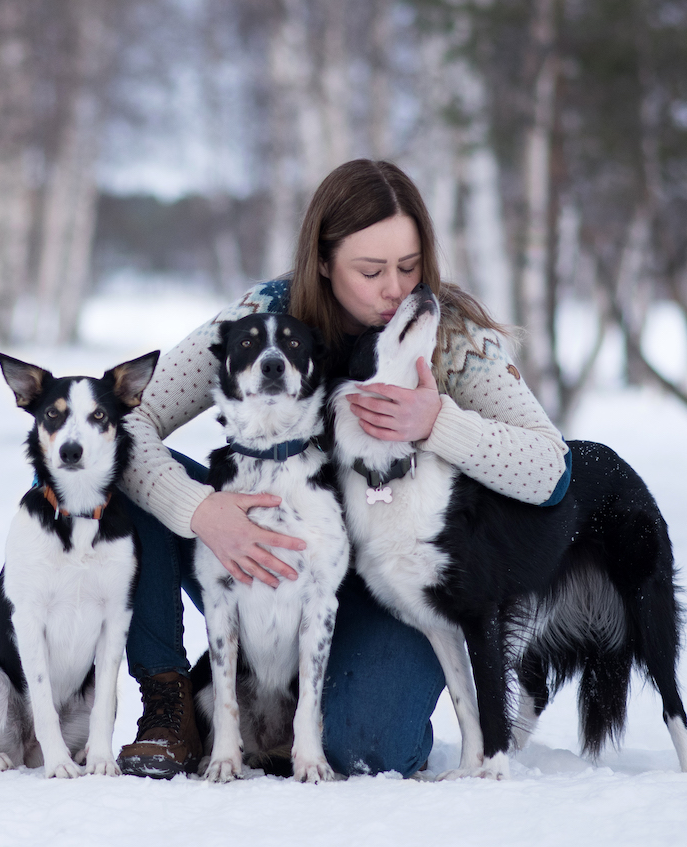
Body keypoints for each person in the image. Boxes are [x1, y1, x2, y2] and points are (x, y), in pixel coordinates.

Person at [114, 159, 572, 779]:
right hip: (256, 546)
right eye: (371, 270)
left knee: (368, 748)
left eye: (410, 268)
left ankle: (326, 706)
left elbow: (551, 469)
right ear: (323, 261)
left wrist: (437, 423)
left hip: (387, 586)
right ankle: (171, 707)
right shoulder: (267, 317)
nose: (394, 290)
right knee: (86, 465)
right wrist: (198, 511)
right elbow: (127, 421)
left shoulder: (449, 334)